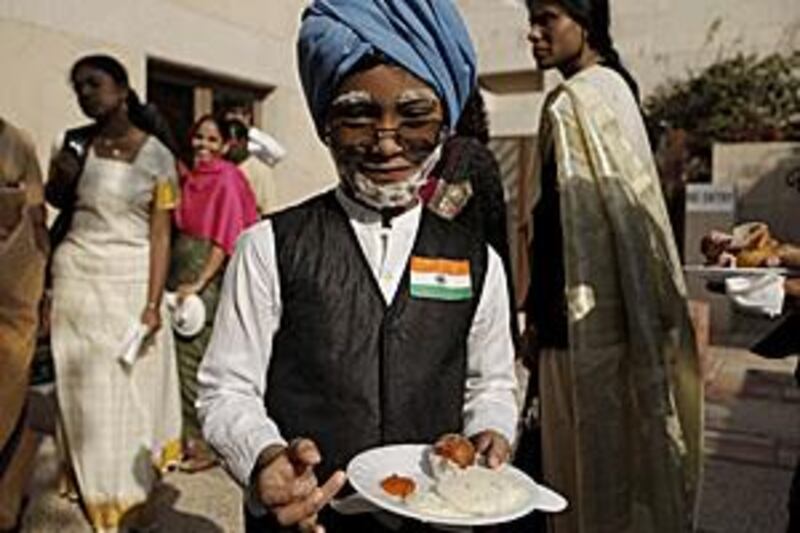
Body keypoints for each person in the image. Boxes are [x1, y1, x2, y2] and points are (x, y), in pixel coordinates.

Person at [196, 1, 519, 532]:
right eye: (359, 115)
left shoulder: (480, 262)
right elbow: (227, 388)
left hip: (437, 515)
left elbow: (491, 384)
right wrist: (263, 457)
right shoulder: (267, 246)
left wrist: (491, 428)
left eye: (413, 116)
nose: (386, 140)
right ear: (326, 123)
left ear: (444, 125)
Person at [520, 1, 703, 532]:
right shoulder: (619, 89)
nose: (533, 34)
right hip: (624, 324)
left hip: (574, 332)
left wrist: (535, 317)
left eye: (547, 18)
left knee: (576, 482)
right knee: (616, 474)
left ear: (586, 21)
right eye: (530, 20)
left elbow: (560, 230)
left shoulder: (573, 101)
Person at [45, 54, 182, 531]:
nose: (85, 93)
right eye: (78, 86)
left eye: (94, 83)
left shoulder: (158, 156)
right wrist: (62, 174)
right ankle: (90, 482)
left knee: (128, 391)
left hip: (130, 281)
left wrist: (152, 303)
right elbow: (57, 203)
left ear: (123, 89)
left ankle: (125, 491)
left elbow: (161, 234)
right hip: (77, 279)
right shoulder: (73, 146)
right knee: (84, 388)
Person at [168, 114, 258, 472]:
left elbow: (225, 236)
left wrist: (200, 282)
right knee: (179, 360)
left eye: (211, 139)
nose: (202, 145)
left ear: (224, 146)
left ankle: (205, 445)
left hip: (204, 276)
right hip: (182, 271)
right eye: (198, 137)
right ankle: (186, 439)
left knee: (196, 361)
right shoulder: (191, 179)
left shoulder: (227, 179)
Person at [0, 117, 48, 531]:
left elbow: (36, 216)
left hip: (14, 291)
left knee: (12, 392)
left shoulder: (17, 142)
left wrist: (45, 287)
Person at [221, 118, 279, 216]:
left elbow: (270, 208)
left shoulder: (260, 169)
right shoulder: (222, 168)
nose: (229, 150)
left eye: (233, 145)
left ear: (243, 141)